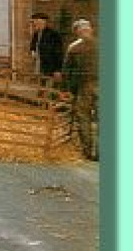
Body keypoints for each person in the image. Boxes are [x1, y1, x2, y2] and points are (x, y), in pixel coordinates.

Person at [62, 18, 99, 160]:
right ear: (91, 29)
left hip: (84, 86)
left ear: (76, 32)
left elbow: (67, 71)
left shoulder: (73, 47)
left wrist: (66, 90)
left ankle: (88, 151)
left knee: (84, 118)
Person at [29, 12, 64, 78]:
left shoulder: (53, 35)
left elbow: (59, 53)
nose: (33, 24)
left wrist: (58, 70)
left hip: (50, 69)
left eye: (34, 22)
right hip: (38, 67)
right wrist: (33, 52)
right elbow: (33, 47)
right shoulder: (36, 35)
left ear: (42, 21)